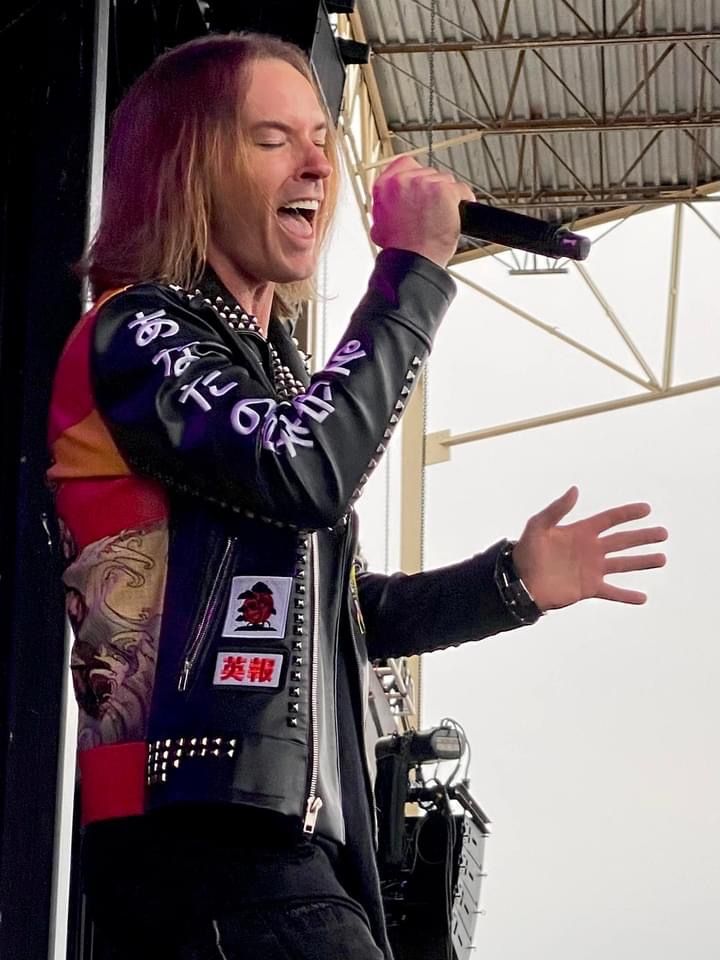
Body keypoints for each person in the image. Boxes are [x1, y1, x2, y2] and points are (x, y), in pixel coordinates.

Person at [47, 32, 667, 960]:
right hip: (202, 840)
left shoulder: (273, 372)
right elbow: (305, 470)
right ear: (189, 167)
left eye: (320, 138)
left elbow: (336, 615)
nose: (316, 163)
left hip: (286, 851)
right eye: (272, 138)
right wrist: (411, 274)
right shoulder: (135, 328)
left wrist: (510, 582)